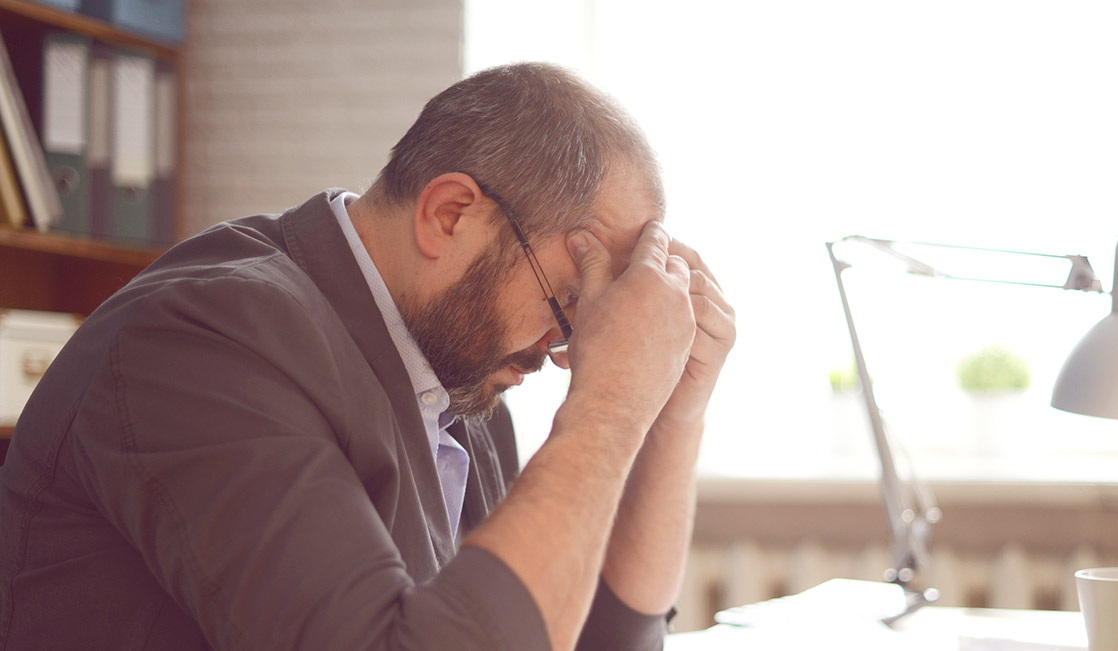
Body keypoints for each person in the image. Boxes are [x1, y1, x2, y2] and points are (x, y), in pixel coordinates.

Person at [0, 62, 735, 651]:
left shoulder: (460, 382)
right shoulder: (203, 340)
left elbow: (591, 638)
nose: (571, 345)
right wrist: (610, 403)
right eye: (570, 300)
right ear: (449, 214)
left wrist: (675, 409)